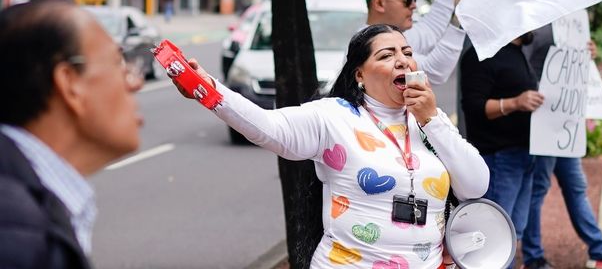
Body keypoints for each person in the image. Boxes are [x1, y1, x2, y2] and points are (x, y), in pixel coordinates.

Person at [174, 24, 489, 269]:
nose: (402, 61)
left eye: (407, 52)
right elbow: (267, 127)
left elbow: (476, 184)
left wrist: (432, 120)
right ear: (360, 75)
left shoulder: (429, 120)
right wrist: (208, 91)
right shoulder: (334, 117)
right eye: (386, 55)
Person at [0, 0, 145, 268]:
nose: (135, 82)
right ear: (70, 83)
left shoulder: (30, 212)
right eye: (118, 63)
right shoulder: (17, 236)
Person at [521, 24, 602, 269]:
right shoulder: (539, 27)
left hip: (565, 123)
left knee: (575, 185)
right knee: (539, 188)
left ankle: (600, 249)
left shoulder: (573, 23)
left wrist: (587, 54)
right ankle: (534, 256)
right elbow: (523, 65)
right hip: (545, 122)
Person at [459, 32, 544, 268]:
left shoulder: (516, 53)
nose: (534, 27)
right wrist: (515, 103)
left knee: (513, 230)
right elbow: (474, 107)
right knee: (495, 235)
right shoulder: (480, 55)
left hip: (521, 155)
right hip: (498, 158)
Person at [363, 0, 468, 85]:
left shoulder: (388, 35)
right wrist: (460, 17)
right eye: (406, 0)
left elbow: (430, 29)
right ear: (379, 4)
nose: (413, 5)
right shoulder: (370, 42)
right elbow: (433, 71)